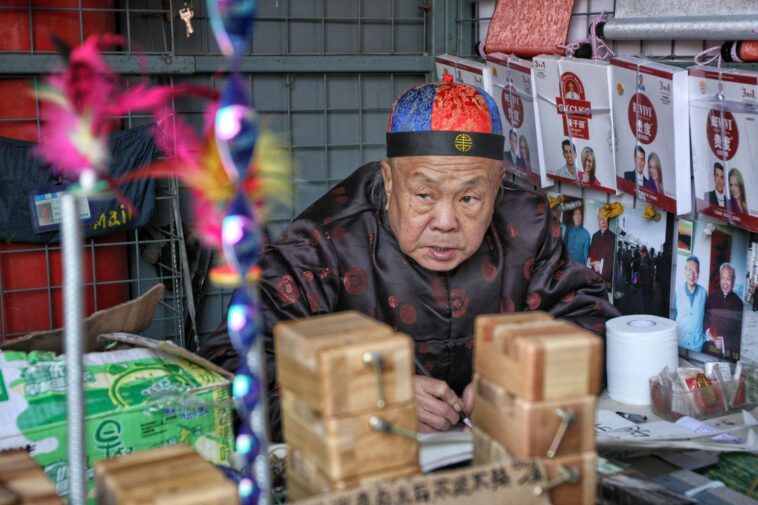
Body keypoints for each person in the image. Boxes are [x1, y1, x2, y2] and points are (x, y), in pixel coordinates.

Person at [199, 78, 618, 440]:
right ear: (388, 180)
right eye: (424, 195)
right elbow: (225, 369)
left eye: (470, 198)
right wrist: (373, 395)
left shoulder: (526, 222)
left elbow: (590, 323)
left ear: (497, 188)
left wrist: (526, 375)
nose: (446, 222)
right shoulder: (324, 242)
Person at [703, 263, 743, 361]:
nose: (725, 282)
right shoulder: (711, 297)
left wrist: (725, 342)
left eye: (728, 279)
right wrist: (709, 333)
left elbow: (740, 335)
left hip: (728, 355)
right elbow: (705, 319)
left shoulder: (739, 304)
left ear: (733, 279)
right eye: (722, 278)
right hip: (709, 351)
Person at [673, 256, 707, 352]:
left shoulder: (704, 293)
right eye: (689, 269)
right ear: (685, 271)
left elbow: (706, 319)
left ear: (699, 273)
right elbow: (672, 318)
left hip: (697, 347)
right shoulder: (677, 292)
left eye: (695, 270)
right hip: (679, 344)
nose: (692, 274)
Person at [588, 208, 616, 292]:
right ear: (598, 220)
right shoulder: (594, 236)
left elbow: (614, 260)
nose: (603, 221)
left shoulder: (614, 237)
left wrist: (601, 265)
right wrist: (594, 262)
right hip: (594, 276)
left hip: (607, 278)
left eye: (605, 218)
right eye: (600, 218)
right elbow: (591, 257)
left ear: (608, 220)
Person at [638, 245, 654, 314]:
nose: (640, 253)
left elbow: (646, 272)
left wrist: (641, 281)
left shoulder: (646, 260)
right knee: (644, 299)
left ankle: (644, 313)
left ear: (644, 252)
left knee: (643, 300)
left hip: (644, 283)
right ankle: (644, 312)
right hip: (645, 282)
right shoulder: (645, 259)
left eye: (641, 252)